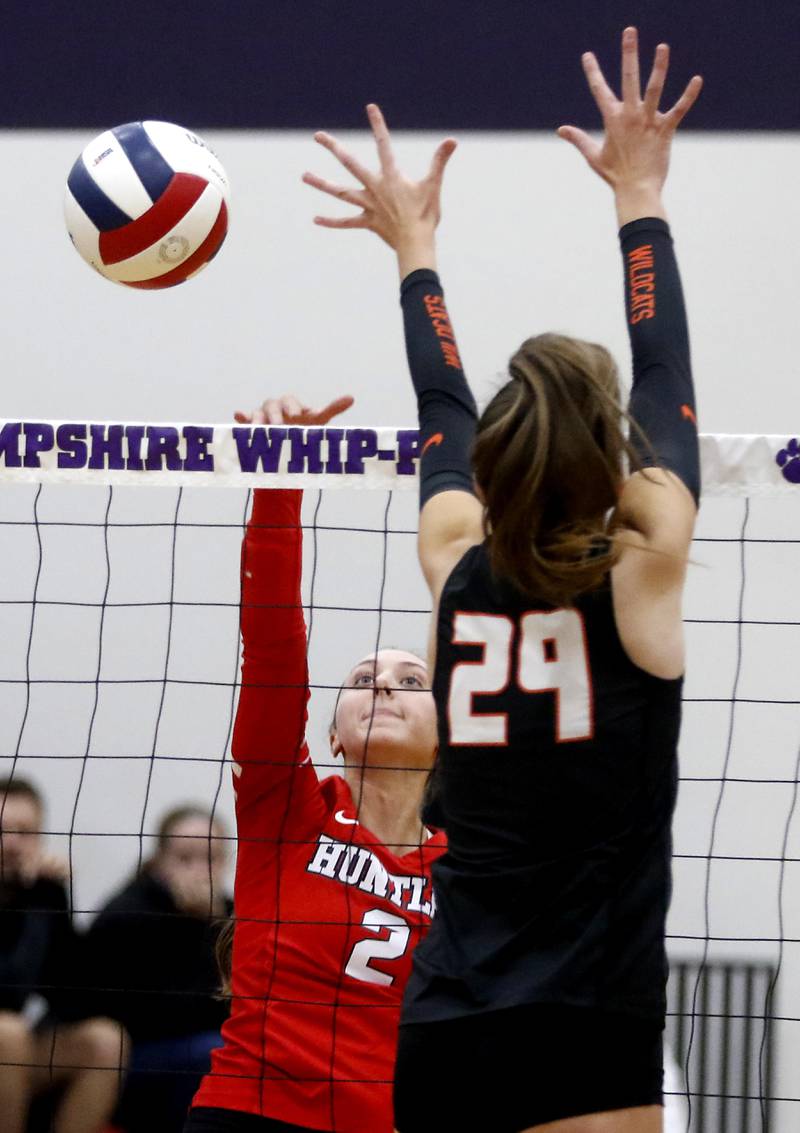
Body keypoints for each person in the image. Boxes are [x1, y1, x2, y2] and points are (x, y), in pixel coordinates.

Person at [306, 26, 701, 1133]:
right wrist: (639, 189)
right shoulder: (643, 567)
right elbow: (665, 367)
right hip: (587, 1018)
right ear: (608, 458)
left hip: (444, 1025)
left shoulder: (453, 568)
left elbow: (441, 408)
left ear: (495, 468)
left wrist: (411, 245)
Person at [185, 393, 446, 1133]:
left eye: (410, 679)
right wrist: (279, 480)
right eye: (362, 679)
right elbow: (272, 649)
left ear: (447, 733)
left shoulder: (469, 867)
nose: (384, 686)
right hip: (249, 1115)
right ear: (330, 732)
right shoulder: (286, 807)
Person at [83, 805, 233, 1133]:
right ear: (159, 861)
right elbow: (160, 1014)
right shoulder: (129, 912)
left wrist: (214, 923)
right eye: (184, 858)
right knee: (211, 1053)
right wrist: (199, 927)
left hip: (199, 1051)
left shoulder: (232, 917)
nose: (199, 870)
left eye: (211, 858)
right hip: (130, 1062)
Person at [0, 775, 128, 1133]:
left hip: (17, 1047)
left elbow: (75, 995)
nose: (11, 844)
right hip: (8, 1038)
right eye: (2, 831)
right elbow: (8, 992)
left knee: (106, 1041)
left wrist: (51, 898)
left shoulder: (41, 893)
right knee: (9, 1033)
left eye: (25, 832)